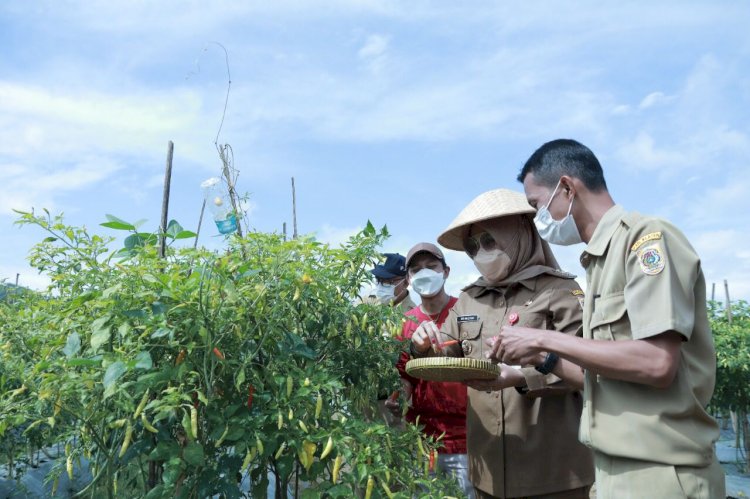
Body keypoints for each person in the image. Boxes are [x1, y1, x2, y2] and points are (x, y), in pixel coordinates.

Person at [492, 138, 725, 498]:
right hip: (613, 470)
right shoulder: (598, 262)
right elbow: (601, 381)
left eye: (537, 205)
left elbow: (657, 363)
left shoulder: (645, 241)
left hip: (662, 473)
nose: (539, 219)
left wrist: (541, 338)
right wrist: (542, 359)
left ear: (567, 187)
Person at [410, 189, 594, 499]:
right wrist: (425, 344)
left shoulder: (560, 290)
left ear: (520, 234)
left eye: (490, 241)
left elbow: (590, 370)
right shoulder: (470, 298)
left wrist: (524, 376)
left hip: (553, 472)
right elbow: (449, 347)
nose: (482, 253)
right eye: (473, 246)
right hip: (489, 472)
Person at [387, 242, 472, 497]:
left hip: (466, 440)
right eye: (416, 269)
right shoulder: (405, 324)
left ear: (446, 272)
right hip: (422, 441)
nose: (424, 273)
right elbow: (405, 378)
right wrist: (399, 399)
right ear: (409, 279)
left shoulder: (467, 313)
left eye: (431, 266)